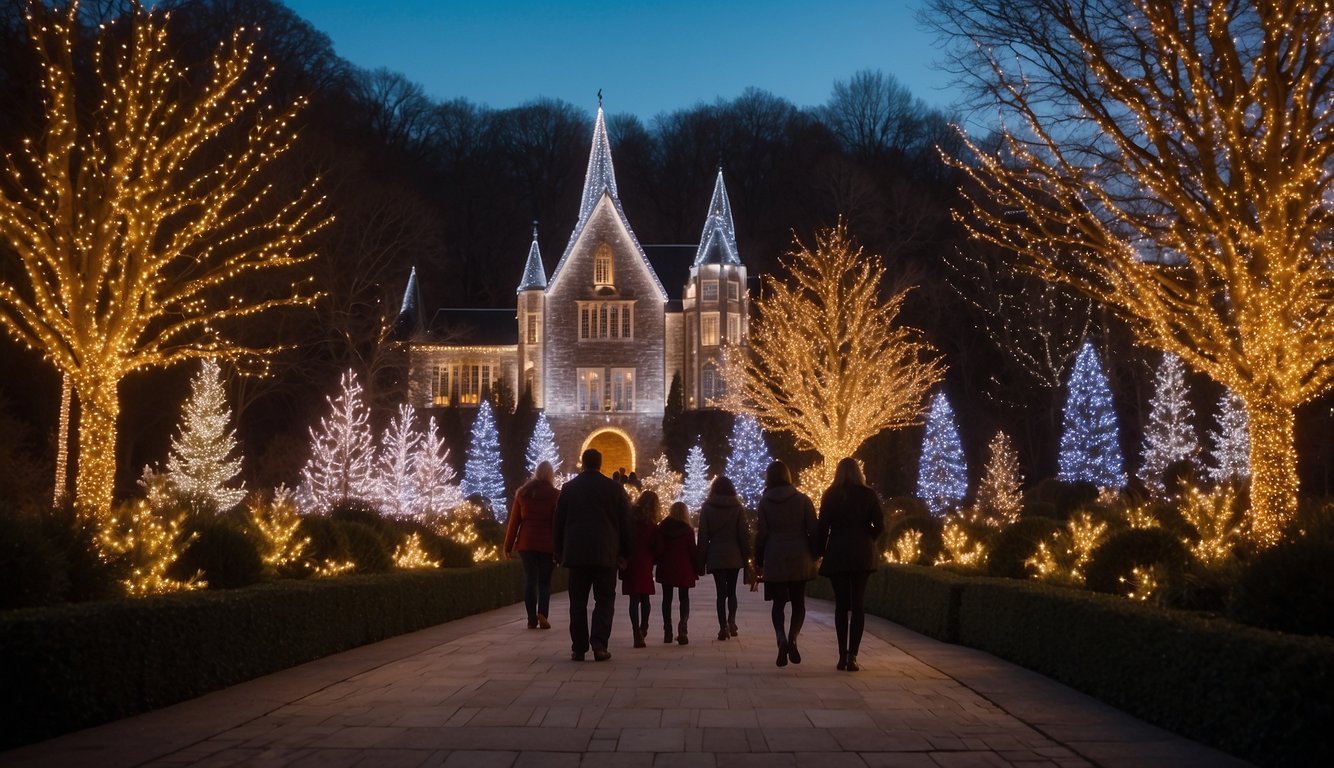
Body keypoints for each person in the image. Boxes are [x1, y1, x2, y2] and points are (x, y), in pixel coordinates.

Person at [553, 448, 632, 661]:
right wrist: (625, 552)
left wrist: (558, 551)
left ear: (583, 463)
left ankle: (578, 647)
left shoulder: (569, 488)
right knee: (604, 600)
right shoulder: (614, 489)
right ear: (600, 464)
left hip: (577, 554)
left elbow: (558, 522)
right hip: (605, 554)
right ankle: (599, 644)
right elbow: (625, 523)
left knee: (577, 602)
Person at [816, 457, 884, 672]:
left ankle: (842, 654)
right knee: (858, 604)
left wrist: (818, 552)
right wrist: (868, 537)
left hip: (838, 552)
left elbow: (823, 526)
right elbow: (880, 524)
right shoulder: (868, 494)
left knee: (841, 605)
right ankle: (853, 655)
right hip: (861, 553)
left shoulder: (831, 495)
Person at [754, 460, 817, 667]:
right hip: (800, 555)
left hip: (775, 554)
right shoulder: (803, 500)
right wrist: (815, 554)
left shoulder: (765, 502)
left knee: (778, 603)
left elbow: (761, 533)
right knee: (799, 603)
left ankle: (780, 636)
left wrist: (758, 559)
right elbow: (813, 530)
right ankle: (793, 638)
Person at [503, 460, 559, 629]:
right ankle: (542, 613)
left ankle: (530, 618)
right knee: (544, 581)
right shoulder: (556, 495)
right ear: (551, 475)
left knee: (530, 580)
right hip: (547, 543)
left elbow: (514, 522)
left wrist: (507, 546)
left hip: (526, 543)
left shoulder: (522, 493)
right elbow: (557, 523)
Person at [697, 476, 749, 641]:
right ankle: (732, 621)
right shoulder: (738, 507)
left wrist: (701, 559)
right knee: (732, 591)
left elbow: (703, 536)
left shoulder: (707, 507)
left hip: (716, 554)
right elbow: (743, 534)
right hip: (734, 554)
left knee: (721, 593)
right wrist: (746, 556)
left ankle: (722, 628)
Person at [621, 491, 663, 648]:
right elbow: (658, 547)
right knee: (645, 598)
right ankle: (643, 626)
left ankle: (635, 631)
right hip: (645, 562)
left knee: (634, 599)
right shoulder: (651, 525)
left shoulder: (630, 520)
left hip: (630, 561)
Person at [656, 500, 700, 644]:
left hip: (666, 566)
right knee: (684, 598)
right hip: (683, 567)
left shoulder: (662, 527)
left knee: (666, 599)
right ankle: (683, 629)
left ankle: (667, 631)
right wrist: (697, 567)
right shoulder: (687, 530)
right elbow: (693, 551)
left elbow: (659, 547)